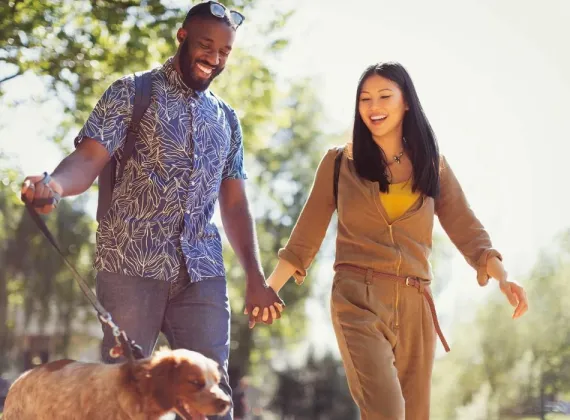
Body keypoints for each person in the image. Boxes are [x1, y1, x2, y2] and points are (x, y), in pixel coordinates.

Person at [20, 2, 283, 418]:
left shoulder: (227, 120)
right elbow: (89, 160)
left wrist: (255, 276)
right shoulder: (132, 92)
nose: (214, 59)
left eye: (225, 51)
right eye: (205, 45)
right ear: (182, 37)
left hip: (202, 272)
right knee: (123, 391)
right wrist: (52, 185)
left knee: (212, 393)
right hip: (130, 265)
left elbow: (234, 203)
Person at [254, 62, 529, 419]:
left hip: (417, 306)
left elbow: (468, 231)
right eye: (365, 99)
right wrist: (269, 289)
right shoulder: (340, 163)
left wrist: (503, 276)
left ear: (406, 103)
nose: (373, 106)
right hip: (357, 300)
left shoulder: (433, 166)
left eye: (385, 96)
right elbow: (305, 237)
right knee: (387, 411)